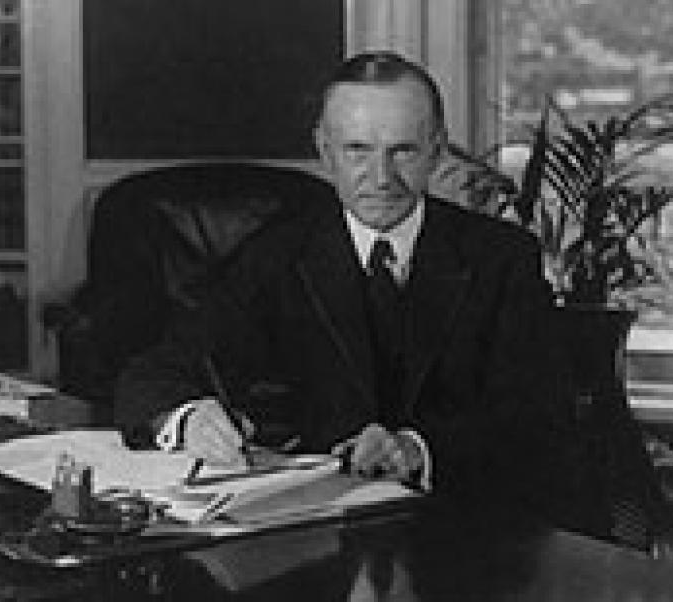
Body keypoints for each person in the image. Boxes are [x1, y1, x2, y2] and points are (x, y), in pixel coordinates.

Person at [116, 52, 589, 522]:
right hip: (315, 534)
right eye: (358, 151)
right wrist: (188, 417)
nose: (381, 179)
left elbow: (541, 418)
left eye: (403, 151)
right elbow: (151, 375)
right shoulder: (276, 255)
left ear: (436, 151)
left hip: (464, 523)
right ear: (325, 152)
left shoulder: (501, 258)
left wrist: (419, 450)